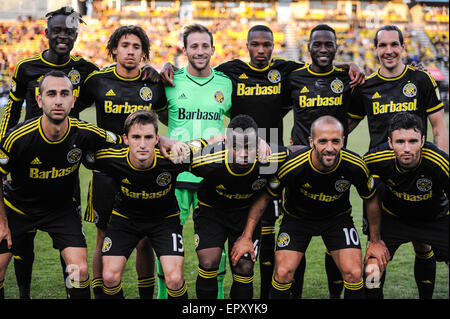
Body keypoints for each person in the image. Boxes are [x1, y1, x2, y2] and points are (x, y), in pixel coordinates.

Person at [160, 23, 365, 299]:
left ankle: (270, 294)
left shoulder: (285, 71)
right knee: (228, 207)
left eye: (266, 45)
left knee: (269, 230)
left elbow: (319, 62)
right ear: (246, 46)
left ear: (272, 47)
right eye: (255, 44)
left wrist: (348, 63)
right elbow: (199, 71)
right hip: (235, 149)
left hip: (270, 151)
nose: (260, 50)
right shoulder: (231, 71)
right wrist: (164, 67)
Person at [0, 6, 98, 299]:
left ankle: (70, 289)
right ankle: (25, 293)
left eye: (69, 31)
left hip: (65, 165)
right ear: (47, 33)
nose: (63, 36)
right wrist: (5, 147)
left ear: (77, 34)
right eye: (57, 30)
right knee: (22, 245)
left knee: (67, 243)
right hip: (27, 160)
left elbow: (111, 90)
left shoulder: (86, 70)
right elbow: (12, 110)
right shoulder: (26, 67)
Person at [231, 115, 384, 299]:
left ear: (343, 141)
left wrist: (375, 241)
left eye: (335, 141)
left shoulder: (355, 165)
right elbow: (265, 198)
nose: (329, 148)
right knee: (283, 273)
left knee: (354, 273)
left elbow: (371, 198)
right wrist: (247, 237)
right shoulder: (294, 165)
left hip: (337, 220)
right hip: (297, 221)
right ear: (311, 142)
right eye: (323, 141)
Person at [348, 25, 449, 299]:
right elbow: (346, 127)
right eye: (383, 45)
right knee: (376, 253)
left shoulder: (421, 80)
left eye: (394, 44)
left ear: (403, 47)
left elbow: (438, 125)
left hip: (420, 173)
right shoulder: (367, 87)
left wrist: (438, 167)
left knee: (423, 246)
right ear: (376, 49)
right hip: (383, 182)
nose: (389, 50)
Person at [0, 71, 120, 299]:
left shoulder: (85, 132)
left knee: (79, 270)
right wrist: (2, 221)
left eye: (64, 94)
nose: (58, 100)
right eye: (51, 93)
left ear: (73, 100)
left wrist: (160, 140)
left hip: (61, 211)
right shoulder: (18, 137)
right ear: (39, 100)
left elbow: (124, 140)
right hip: (18, 209)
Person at [78, 25, 167, 299]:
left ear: (144, 53)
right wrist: (87, 142)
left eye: (137, 47)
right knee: (103, 236)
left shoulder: (152, 83)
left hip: (143, 172)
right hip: (106, 171)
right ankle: (100, 294)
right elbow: (72, 111)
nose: (131, 51)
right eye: (125, 45)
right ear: (114, 49)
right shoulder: (97, 80)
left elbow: (167, 118)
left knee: (145, 241)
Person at [84, 110, 201, 299]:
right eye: (136, 137)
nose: (142, 144)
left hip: (165, 220)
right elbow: (82, 145)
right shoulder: (110, 158)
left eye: (148, 137)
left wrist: (222, 138)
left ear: (157, 139)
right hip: (125, 220)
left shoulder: (171, 158)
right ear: (126, 139)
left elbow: (203, 145)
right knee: (109, 276)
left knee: (175, 279)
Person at [156, 23, 233, 299]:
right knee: (167, 241)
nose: (200, 52)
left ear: (213, 49)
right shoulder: (170, 80)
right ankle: (164, 295)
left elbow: (238, 122)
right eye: (194, 46)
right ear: (185, 49)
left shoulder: (225, 83)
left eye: (204, 46)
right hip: (176, 175)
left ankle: (218, 297)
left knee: (215, 248)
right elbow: (154, 116)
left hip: (213, 176)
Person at [287, 24, 360, 298]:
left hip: (335, 166)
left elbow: (357, 113)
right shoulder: (293, 77)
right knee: (296, 236)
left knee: (334, 233)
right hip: (299, 166)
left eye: (328, 44)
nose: (323, 50)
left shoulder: (346, 78)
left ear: (336, 47)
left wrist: (337, 140)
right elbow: (269, 106)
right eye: (317, 44)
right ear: (308, 46)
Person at [190, 114, 291, 299]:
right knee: (208, 262)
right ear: (227, 144)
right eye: (236, 147)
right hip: (211, 212)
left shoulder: (270, 157)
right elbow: (177, 154)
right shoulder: (208, 159)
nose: (244, 154)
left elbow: (302, 152)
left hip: (245, 215)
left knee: (244, 266)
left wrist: (247, 236)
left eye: (249, 147)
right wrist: (210, 140)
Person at [363, 112, 448, 299]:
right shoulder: (375, 160)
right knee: (372, 268)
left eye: (413, 141)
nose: (407, 148)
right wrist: (374, 240)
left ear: (423, 141)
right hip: (394, 218)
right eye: (400, 142)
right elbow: (368, 194)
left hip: (434, 218)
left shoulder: (439, 162)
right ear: (390, 143)